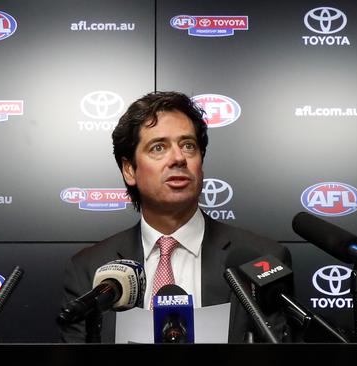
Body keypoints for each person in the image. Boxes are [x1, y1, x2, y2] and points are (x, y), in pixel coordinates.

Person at [59, 91, 293, 343]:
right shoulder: (89, 269)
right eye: (158, 147)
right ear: (129, 170)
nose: (179, 158)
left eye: (188, 145)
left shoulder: (261, 259)